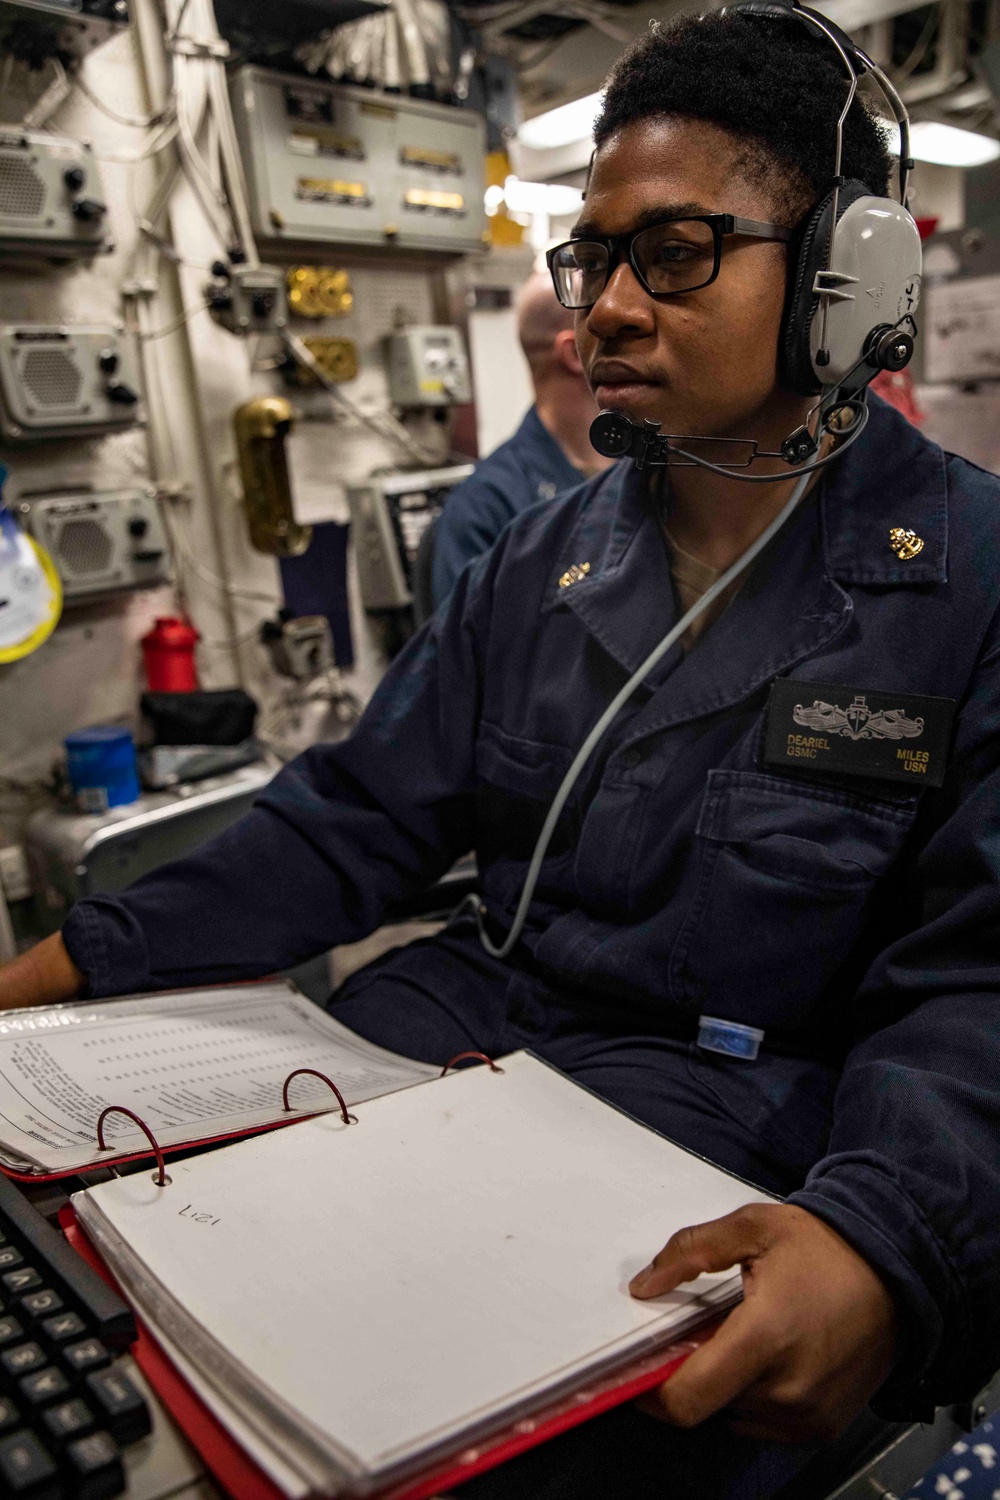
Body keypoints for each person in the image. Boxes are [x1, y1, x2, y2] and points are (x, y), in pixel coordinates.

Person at [5, 12, 1000, 1498]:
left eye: (671, 252)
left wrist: (881, 1237)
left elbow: (981, 991)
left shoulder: (973, 582)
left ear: (847, 280)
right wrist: (61, 970)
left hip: (742, 1129)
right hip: (445, 1053)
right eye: (589, 259)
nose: (600, 308)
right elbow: (348, 820)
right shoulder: (539, 560)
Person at [431, 272, 613, 608]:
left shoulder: (650, 468)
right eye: (619, 334)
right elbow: (465, 654)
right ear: (575, 354)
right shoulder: (486, 509)